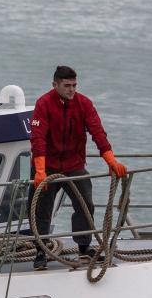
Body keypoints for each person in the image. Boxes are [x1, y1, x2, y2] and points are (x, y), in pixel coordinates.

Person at [29, 66, 127, 270]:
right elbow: (37, 139)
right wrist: (40, 170)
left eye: (74, 85)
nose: (71, 90)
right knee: (41, 209)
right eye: (67, 86)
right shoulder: (43, 104)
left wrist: (111, 161)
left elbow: (98, 133)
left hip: (74, 166)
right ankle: (41, 250)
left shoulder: (84, 104)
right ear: (55, 84)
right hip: (46, 167)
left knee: (86, 205)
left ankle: (84, 248)